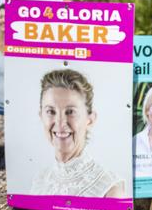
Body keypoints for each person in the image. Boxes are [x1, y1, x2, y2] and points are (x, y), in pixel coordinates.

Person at [30, 69, 125, 198]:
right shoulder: (39, 181)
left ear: (90, 119)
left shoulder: (110, 189)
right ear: (41, 116)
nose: (60, 122)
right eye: (51, 111)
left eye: (70, 112)